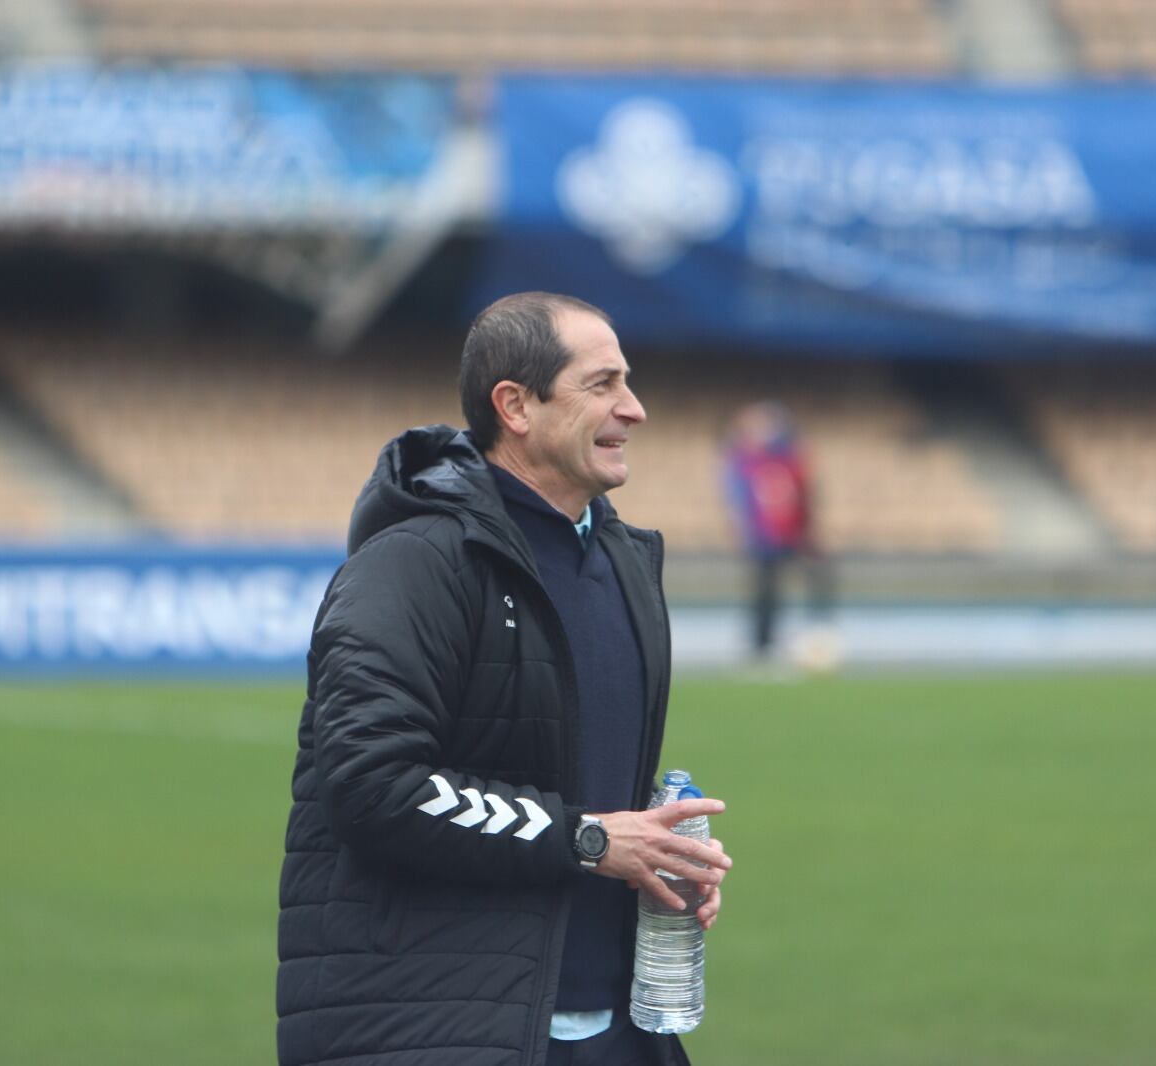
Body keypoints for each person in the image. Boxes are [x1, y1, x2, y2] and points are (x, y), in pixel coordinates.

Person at [278, 292, 733, 1066]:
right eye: (603, 384)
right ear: (515, 406)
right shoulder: (411, 564)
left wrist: (654, 852)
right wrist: (587, 841)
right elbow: (370, 787)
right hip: (441, 1029)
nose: (636, 408)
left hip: (618, 1030)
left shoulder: (622, 562)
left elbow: (578, 778)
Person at [722, 401, 831, 658]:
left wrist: (809, 529)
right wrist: (743, 530)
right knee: (765, 592)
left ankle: (818, 632)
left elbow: (805, 494)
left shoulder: (790, 458)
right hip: (764, 536)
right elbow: (740, 499)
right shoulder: (744, 462)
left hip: (793, 533)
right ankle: (762, 646)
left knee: (816, 577)